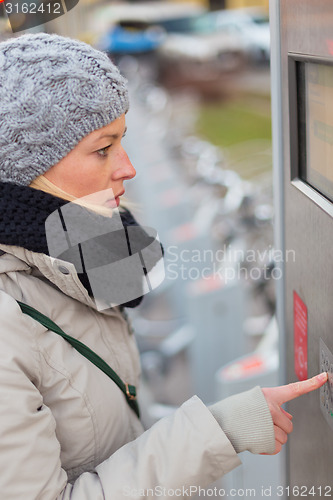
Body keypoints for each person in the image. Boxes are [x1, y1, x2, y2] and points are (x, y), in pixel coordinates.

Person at [0, 32, 327, 499]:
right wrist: (219, 430)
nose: (128, 167)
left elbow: (114, 434)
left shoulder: (72, 258)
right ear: (28, 166)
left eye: (123, 141)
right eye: (103, 148)